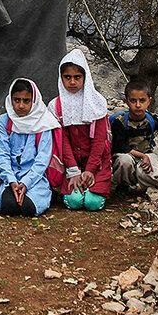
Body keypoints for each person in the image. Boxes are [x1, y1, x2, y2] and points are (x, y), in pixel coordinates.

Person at [49, 49, 111, 211]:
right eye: (67, 77)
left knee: (93, 203)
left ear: (85, 77)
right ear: (60, 77)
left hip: (96, 164)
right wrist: (73, 171)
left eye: (77, 77)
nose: (72, 82)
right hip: (71, 164)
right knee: (74, 201)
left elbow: (99, 141)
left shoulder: (96, 104)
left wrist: (90, 170)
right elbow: (62, 141)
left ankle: (93, 186)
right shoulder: (56, 107)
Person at [0, 78, 60, 217]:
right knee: (9, 207)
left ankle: (47, 193)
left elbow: (42, 159)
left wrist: (25, 183)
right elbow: (2, 154)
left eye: (26, 101)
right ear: (10, 99)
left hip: (35, 178)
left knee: (28, 209)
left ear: (34, 101)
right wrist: (12, 181)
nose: (21, 105)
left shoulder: (44, 122)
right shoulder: (5, 121)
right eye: (16, 100)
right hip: (10, 177)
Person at [110, 80, 158, 192]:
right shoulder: (120, 122)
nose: (138, 105)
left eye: (142, 100)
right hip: (128, 155)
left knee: (154, 178)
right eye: (133, 101)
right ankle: (124, 186)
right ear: (126, 102)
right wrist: (143, 156)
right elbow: (120, 146)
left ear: (149, 101)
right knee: (124, 161)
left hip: (146, 155)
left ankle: (140, 187)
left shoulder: (151, 119)